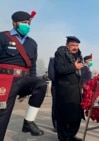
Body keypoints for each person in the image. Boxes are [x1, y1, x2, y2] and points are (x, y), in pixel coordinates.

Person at [0, 11, 47, 140]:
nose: (26, 25)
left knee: (41, 84)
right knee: (2, 116)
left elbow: (32, 67)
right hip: (5, 81)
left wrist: (30, 84)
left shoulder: (32, 43)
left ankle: (28, 122)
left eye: (28, 23)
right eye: (23, 23)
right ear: (14, 23)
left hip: (24, 78)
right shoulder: (3, 37)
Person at [54, 36, 84, 141]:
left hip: (76, 89)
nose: (75, 48)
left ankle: (72, 135)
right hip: (65, 90)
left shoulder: (79, 55)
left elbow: (82, 72)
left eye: (77, 45)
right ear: (67, 45)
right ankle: (64, 138)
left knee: (76, 115)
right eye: (73, 45)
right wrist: (74, 67)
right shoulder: (60, 54)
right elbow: (59, 69)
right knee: (64, 116)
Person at [48, 57, 57, 131]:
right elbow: (51, 75)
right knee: (56, 106)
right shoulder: (53, 60)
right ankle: (56, 125)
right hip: (56, 87)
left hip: (66, 88)